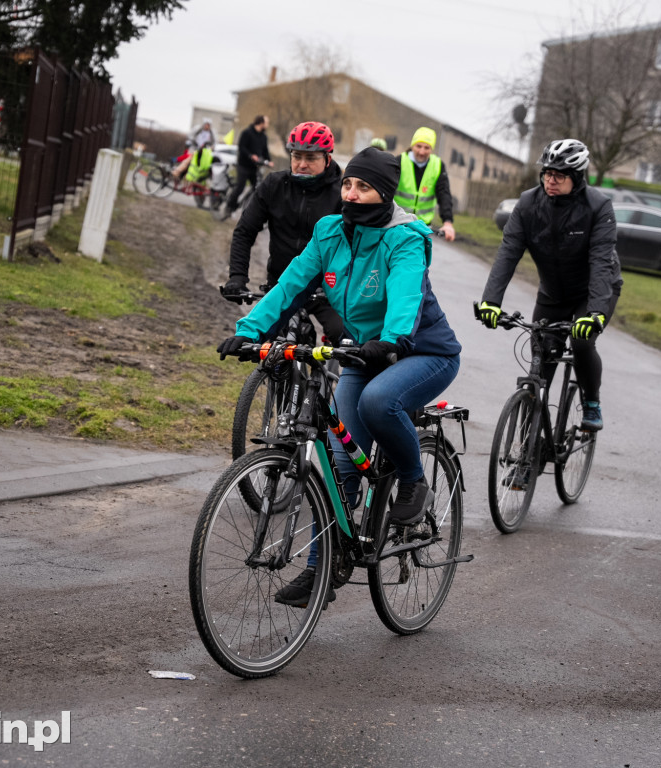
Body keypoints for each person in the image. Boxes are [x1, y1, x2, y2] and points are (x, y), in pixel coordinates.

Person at [218, 146, 462, 606]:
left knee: (377, 403)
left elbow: (406, 294)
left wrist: (390, 339)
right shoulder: (330, 231)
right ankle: (320, 570)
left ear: (384, 193)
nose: (351, 193)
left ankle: (412, 478)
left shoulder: (405, 237)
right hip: (363, 352)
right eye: (348, 184)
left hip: (422, 351)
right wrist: (248, 332)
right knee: (340, 461)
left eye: (363, 187)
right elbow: (291, 285)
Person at [476, 138, 622, 432]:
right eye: (546, 173)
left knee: (581, 342)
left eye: (559, 175)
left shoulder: (598, 207)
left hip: (592, 291)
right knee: (541, 361)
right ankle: (531, 441)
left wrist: (594, 314)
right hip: (553, 293)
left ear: (577, 177)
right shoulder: (529, 203)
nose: (550, 180)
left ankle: (591, 401)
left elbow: (600, 263)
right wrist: (490, 301)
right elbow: (508, 253)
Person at [221, 121, 345, 344]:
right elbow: (245, 231)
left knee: (344, 337)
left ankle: (339, 376)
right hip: (282, 285)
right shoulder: (274, 185)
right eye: (296, 156)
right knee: (271, 350)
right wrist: (237, 277)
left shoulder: (343, 193)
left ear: (327, 159)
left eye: (311, 158)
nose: (301, 164)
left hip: (326, 289)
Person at [394, 126, 455, 242]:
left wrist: (448, 222)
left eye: (426, 147)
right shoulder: (399, 161)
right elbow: (387, 189)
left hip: (422, 227)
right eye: (418, 146)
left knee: (417, 259)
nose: (422, 152)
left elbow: (444, 194)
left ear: (431, 149)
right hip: (398, 223)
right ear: (412, 145)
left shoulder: (437, 165)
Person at [223, 114, 273, 216]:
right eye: (266, 122)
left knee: (257, 188)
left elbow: (265, 151)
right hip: (243, 165)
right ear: (261, 123)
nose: (268, 125)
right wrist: (251, 155)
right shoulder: (247, 133)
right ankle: (229, 206)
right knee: (240, 187)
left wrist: (269, 161)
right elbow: (242, 147)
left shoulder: (264, 137)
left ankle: (248, 208)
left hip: (254, 168)